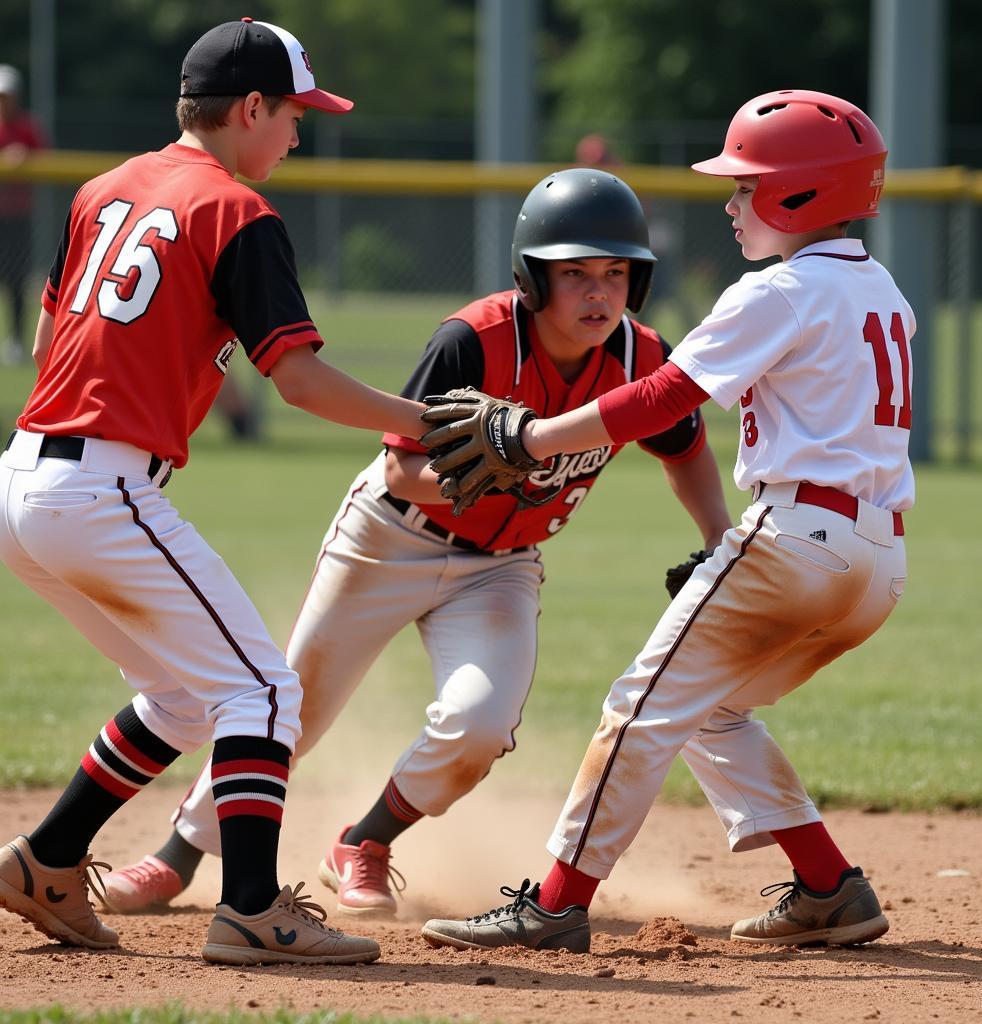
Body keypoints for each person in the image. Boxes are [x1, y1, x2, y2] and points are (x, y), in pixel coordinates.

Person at [97, 167, 733, 919]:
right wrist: (504, 471)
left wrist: (720, 541)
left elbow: (684, 443)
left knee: (482, 725)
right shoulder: (475, 339)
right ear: (533, 278)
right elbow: (402, 468)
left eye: (617, 273)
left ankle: (364, 842)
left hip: (500, 569)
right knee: (291, 706)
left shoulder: (640, 359)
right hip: (390, 539)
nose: (599, 294)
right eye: (576, 274)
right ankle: (176, 857)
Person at [418, 90, 913, 953]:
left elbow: (659, 399)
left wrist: (532, 437)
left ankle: (557, 902)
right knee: (708, 709)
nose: (730, 203)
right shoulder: (885, 292)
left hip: (798, 536)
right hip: (880, 560)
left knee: (638, 706)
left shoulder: (782, 289)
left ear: (800, 196)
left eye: (746, 185)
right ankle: (829, 887)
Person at [0, 19, 429, 966]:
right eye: (291, 115)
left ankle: (48, 861)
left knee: (184, 699)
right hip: (102, 491)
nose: (297, 135)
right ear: (248, 109)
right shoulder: (238, 212)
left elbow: (45, 347)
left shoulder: (101, 190)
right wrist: (424, 420)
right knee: (264, 692)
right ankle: (250, 909)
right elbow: (304, 381)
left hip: (23, 481)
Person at [0, 64, 48, 365]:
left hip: (18, 216)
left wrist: (24, 156)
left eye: (7, 96)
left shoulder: (28, 127)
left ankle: (16, 340)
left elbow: (44, 157)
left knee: (16, 281)